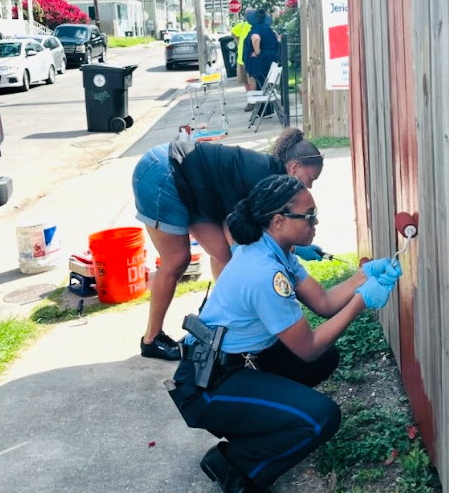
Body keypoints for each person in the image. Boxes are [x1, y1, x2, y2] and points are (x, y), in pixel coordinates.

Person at [167, 174, 402, 493]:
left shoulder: (276, 251)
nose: (315, 223)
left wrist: (366, 275)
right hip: (207, 387)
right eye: (309, 216)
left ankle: (260, 427)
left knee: (325, 359)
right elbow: (307, 347)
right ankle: (234, 464)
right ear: (278, 221)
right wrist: (361, 301)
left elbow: (323, 302)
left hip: (230, 366)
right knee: (320, 417)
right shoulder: (264, 273)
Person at [133, 127, 326, 361]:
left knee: (223, 255)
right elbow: (234, 227)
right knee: (177, 260)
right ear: (294, 167)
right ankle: (151, 340)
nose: (311, 186)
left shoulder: (273, 179)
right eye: (311, 178)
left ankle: (223, 323)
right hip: (165, 173)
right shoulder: (264, 179)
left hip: (192, 183)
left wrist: (294, 247)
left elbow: (252, 229)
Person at [245, 8, 280, 91]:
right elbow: (278, 39)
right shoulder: (269, 29)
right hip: (272, 60)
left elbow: (256, 38)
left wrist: (257, 52)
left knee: (260, 84)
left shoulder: (256, 29)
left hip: (260, 63)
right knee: (267, 85)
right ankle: (267, 103)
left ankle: (260, 103)